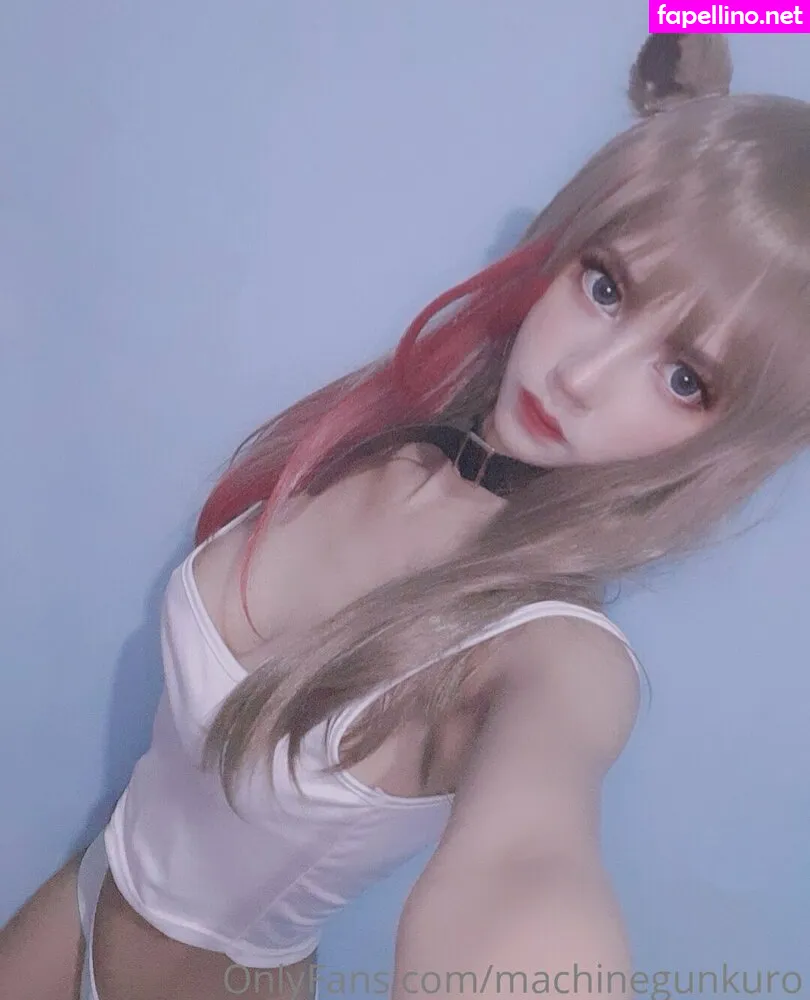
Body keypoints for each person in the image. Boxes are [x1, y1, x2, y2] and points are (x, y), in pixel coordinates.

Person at [3, 30, 810, 1000]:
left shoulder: (548, 654)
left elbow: (527, 859)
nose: (581, 375)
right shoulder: (384, 441)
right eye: (605, 286)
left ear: (727, 444)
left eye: (684, 378)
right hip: (84, 892)